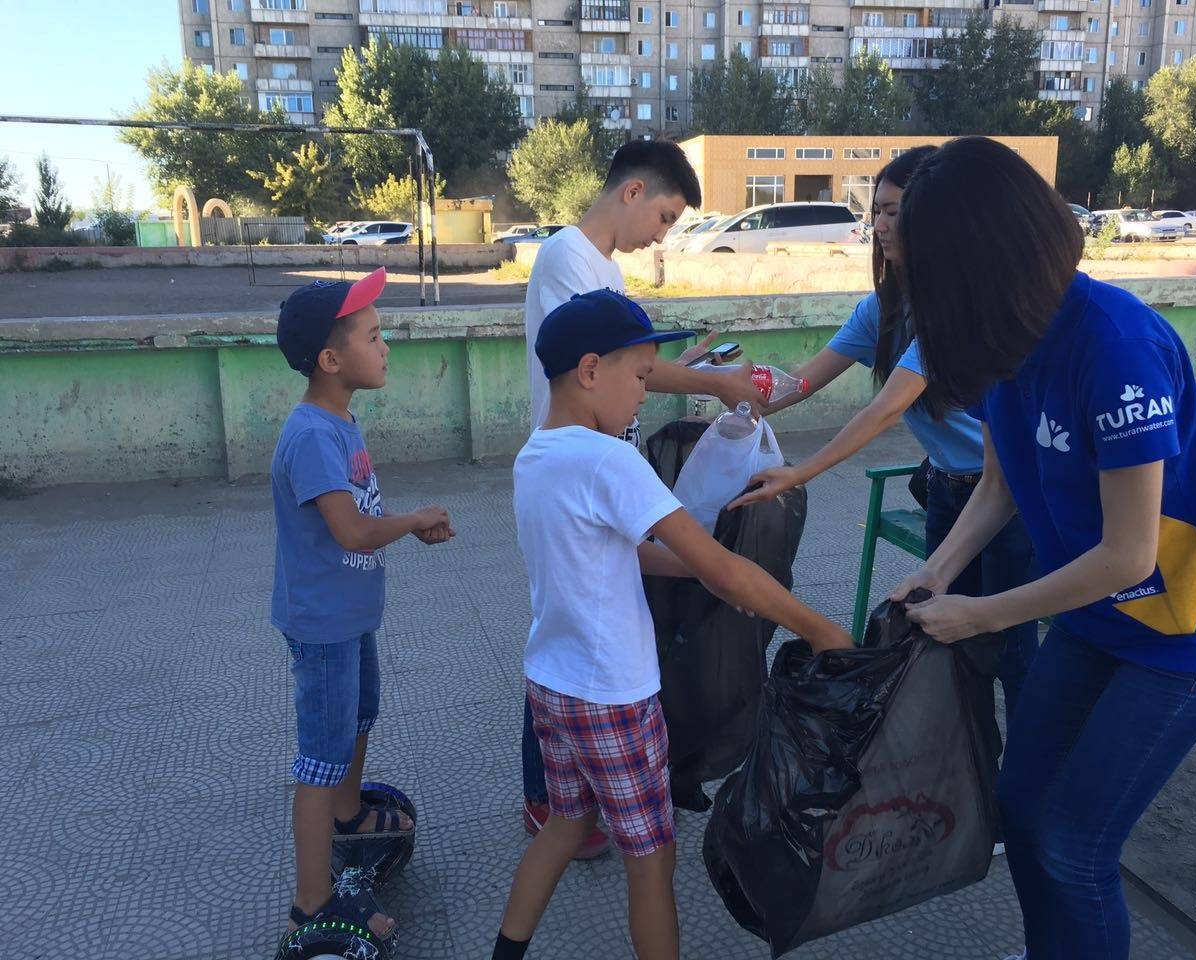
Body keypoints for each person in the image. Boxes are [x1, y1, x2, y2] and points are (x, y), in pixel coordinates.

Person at [888, 137, 1196, 960]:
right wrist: (936, 570)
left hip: (1177, 641)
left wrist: (981, 613)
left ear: (982, 263)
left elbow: (1129, 556)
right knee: (1021, 812)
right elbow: (1000, 484)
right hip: (1092, 625)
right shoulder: (1006, 344)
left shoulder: (1116, 350)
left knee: (1073, 842)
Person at [493, 289, 852, 960]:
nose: (645, 394)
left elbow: (618, 552)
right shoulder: (611, 460)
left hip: (551, 683)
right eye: (641, 376)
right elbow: (721, 566)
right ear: (591, 371)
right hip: (613, 697)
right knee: (652, 858)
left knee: (566, 825)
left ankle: (505, 952)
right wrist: (820, 630)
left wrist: (699, 571)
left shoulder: (538, 454)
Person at [730, 145, 1039, 728]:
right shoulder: (884, 309)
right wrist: (726, 386)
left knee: (1010, 646)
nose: (882, 225)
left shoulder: (955, 312)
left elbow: (886, 411)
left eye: (897, 211)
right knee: (949, 636)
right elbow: (802, 381)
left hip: (1006, 498)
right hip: (951, 493)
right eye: (878, 211)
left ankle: (1024, 783)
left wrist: (800, 472)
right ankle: (966, 763)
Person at [519, 138, 762, 857]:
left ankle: (581, 788)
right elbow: (607, 371)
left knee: (588, 614)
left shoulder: (595, 267)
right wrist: (716, 384)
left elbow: (628, 367)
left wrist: (675, 365)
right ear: (632, 192)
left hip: (596, 462)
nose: (662, 233)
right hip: (581, 466)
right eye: (664, 215)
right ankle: (548, 796)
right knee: (567, 627)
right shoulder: (569, 259)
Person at [271, 267, 456, 942]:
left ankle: (348, 816)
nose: (386, 348)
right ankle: (310, 904)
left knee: (359, 718)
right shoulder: (314, 434)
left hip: (349, 614)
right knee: (321, 755)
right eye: (374, 337)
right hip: (323, 625)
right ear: (331, 359)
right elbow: (351, 530)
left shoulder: (338, 420)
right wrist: (411, 521)